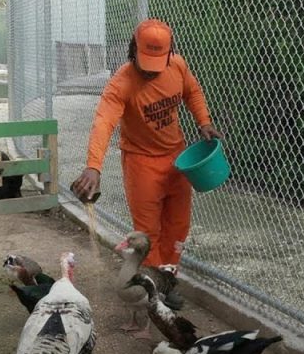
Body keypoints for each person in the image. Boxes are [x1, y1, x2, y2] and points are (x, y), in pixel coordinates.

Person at [71, 18, 221, 268]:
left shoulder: (178, 66)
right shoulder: (122, 83)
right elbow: (103, 122)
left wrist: (203, 121)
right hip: (141, 163)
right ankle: (154, 286)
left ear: (170, 52)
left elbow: (192, 91)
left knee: (179, 226)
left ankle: (169, 276)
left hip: (177, 159)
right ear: (133, 49)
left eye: (158, 62)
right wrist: (93, 166)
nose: (151, 70)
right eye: (146, 61)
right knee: (147, 232)